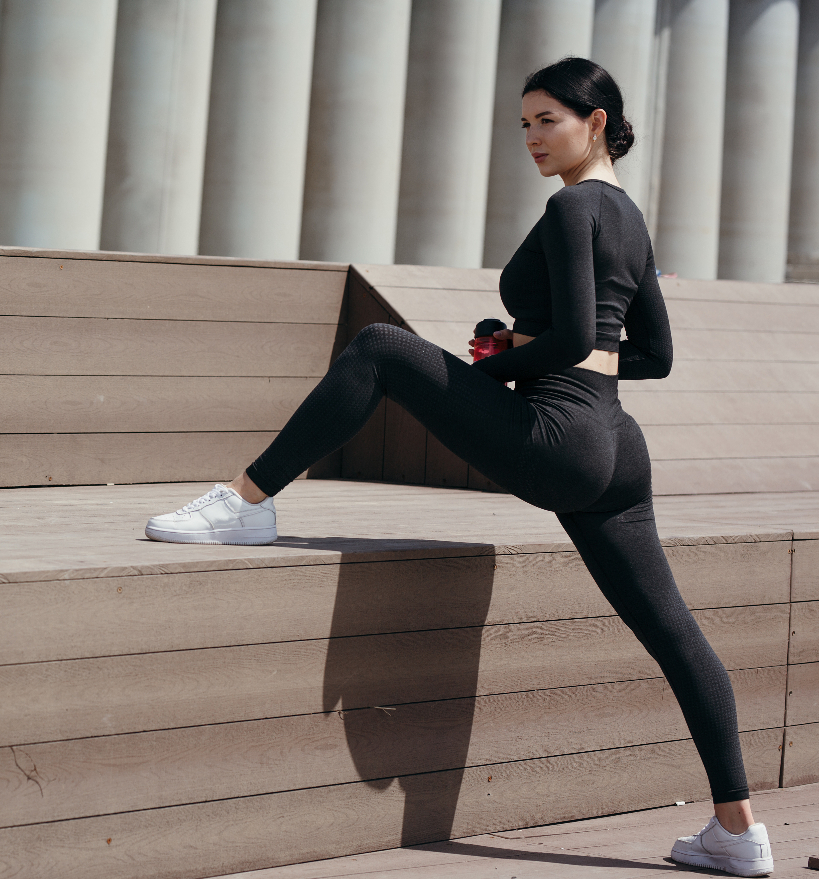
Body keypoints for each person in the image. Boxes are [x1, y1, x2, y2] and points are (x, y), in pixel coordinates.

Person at [146, 57, 772, 877]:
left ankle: (245, 500)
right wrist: (524, 349)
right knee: (676, 634)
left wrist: (492, 369)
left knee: (379, 349)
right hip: (617, 448)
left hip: (560, 430)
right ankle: (739, 831)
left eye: (548, 119)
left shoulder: (575, 206)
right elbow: (648, 355)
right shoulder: (628, 217)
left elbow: (576, 333)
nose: (532, 138)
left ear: (596, 121)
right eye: (523, 124)